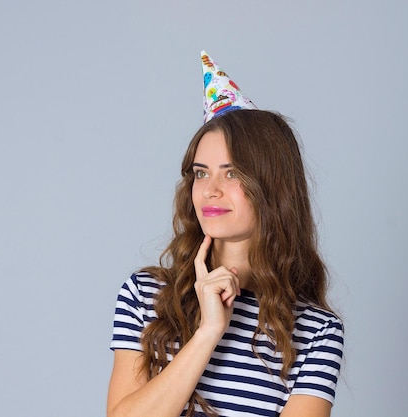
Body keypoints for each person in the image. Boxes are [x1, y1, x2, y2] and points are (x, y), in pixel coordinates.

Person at [107, 52, 344, 417]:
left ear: (272, 187)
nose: (210, 190)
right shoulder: (145, 295)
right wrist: (207, 332)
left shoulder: (316, 331)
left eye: (231, 173)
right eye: (201, 173)